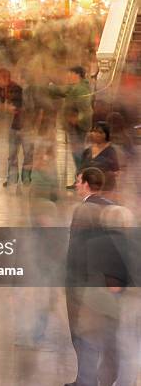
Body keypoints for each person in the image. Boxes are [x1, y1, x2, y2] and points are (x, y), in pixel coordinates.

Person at [65, 167, 115, 386]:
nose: (76, 185)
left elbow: (76, 250)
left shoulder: (83, 211)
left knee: (81, 332)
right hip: (107, 282)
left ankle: (85, 380)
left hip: (83, 282)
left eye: (78, 181)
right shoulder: (113, 208)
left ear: (86, 184)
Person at [49, 66, 93, 188]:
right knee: (77, 153)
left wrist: (77, 119)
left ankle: (81, 179)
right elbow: (60, 91)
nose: (68, 76)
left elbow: (85, 109)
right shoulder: (75, 87)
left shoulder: (81, 89)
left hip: (78, 126)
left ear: (77, 75)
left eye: (70, 74)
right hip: (75, 125)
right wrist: (49, 86)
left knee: (78, 153)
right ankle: (80, 178)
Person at [0, 69, 31, 188]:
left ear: (5, 78)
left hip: (25, 126)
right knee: (12, 154)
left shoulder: (17, 89)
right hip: (12, 126)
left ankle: (26, 178)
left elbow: (19, 107)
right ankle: (12, 178)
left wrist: (5, 107)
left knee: (27, 153)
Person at [79, 121, 119, 193]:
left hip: (106, 190)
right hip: (87, 190)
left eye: (100, 132)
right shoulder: (87, 152)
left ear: (106, 135)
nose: (96, 134)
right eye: (94, 131)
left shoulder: (111, 151)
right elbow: (80, 170)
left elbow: (116, 172)